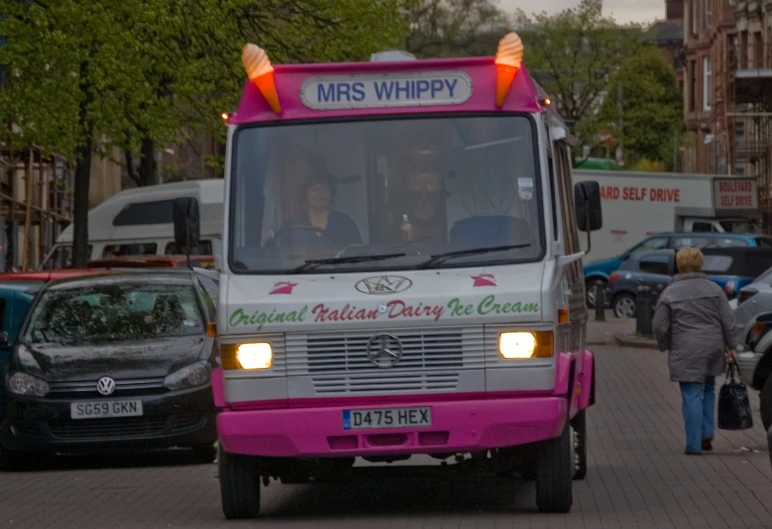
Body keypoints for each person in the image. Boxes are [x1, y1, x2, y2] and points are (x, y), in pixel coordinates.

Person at [653, 247, 737, 455]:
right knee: (708, 387)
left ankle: (693, 443)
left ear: (679, 265)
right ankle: (706, 433)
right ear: (700, 265)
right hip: (713, 346)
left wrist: (665, 344)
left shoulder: (670, 292)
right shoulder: (714, 289)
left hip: (686, 346)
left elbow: (659, 326)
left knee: (691, 392)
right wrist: (732, 346)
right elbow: (728, 320)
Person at [264, 173, 362, 246]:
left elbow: (357, 254)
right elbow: (280, 256)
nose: (319, 193)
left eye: (324, 190)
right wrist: (271, 241)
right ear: (305, 194)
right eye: (314, 189)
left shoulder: (345, 223)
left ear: (332, 195)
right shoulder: (290, 224)